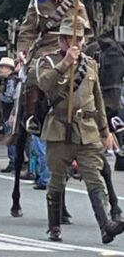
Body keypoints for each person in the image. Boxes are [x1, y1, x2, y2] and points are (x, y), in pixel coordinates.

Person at [38, 16, 124, 243]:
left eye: (81, 38)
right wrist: (65, 63)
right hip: (58, 129)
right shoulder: (48, 61)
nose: (79, 42)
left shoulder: (91, 64)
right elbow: (45, 85)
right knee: (57, 180)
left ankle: (106, 225)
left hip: (87, 129)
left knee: (94, 177)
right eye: (74, 38)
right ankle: (54, 226)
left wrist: (105, 131)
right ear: (64, 40)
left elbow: (97, 102)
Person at [17, 0, 91, 134]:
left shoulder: (76, 4)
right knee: (33, 73)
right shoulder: (38, 1)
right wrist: (22, 49)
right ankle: (33, 117)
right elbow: (28, 29)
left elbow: (86, 30)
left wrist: (80, 46)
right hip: (46, 46)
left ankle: (96, 113)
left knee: (92, 71)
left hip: (72, 45)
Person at [0, 57, 19, 172]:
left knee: (10, 136)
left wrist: (0, 97)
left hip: (10, 113)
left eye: (2, 67)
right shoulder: (14, 79)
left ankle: (13, 161)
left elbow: (9, 98)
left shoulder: (11, 81)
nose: (0, 70)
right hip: (11, 112)